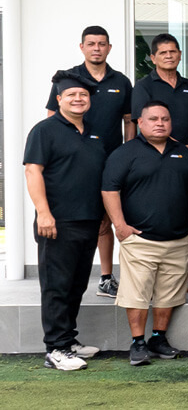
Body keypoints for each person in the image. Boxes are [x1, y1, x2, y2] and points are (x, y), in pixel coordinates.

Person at [102, 101, 188, 366]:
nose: (160, 123)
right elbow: (109, 190)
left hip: (179, 239)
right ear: (140, 123)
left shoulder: (184, 153)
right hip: (140, 240)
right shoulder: (125, 153)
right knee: (137, 294)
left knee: (169, 293)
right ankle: (138, 342)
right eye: (154, 119)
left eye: (165, 119)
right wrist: (120, 226)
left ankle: (158, 338)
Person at [26, 71, 108, 371]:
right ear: (59, 99)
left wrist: (102, 215)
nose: (78, 99)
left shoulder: (94, 133)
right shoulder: (44, 130)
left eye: (83, 95)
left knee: (76, 285)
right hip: (57, 222)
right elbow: (32, 171)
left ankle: (68, 340)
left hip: (88, 220)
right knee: (56, 287)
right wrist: (43, 213)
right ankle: (55, 348)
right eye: (71, 95)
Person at [46, 26, 133, 300]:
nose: (97, 48)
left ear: (109, 48)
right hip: (76, 161)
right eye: (91, 43)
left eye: (102, 44)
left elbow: (129, 121)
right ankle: (70, 277)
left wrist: (129, 152)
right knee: (78, 219)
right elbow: (52, 117)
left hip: (111, 161)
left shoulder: (121, 81)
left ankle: (106, 278)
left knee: (108, 218)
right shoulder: (70, 79)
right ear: (82, 47)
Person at [132, 33, 188, 155]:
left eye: (172, 52)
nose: (169, 56)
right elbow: (143, 124)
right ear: (153, 58)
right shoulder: (143, 86)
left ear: (179, 55)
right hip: (155, 155)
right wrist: (180, 149)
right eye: (163, 53)